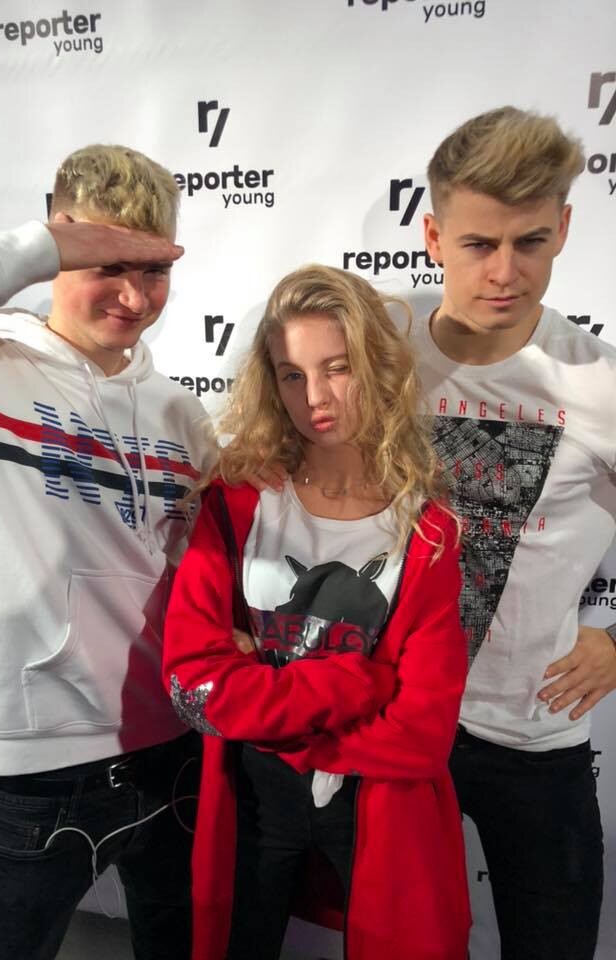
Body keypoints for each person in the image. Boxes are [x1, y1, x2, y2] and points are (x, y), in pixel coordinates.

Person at [0, 145, 215, 960]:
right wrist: (36, 249)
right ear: (59, 242)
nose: (134, 296)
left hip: (174, 752)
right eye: (108, 263)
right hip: (33, 772)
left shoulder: (182, 413)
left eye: (155, 271)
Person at [162, 265, 471, 960]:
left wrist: (265, 702)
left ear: (376, 367)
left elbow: (421, 736)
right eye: (292, 375)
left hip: (377, 800)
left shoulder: (425, 530)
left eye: (337, 368)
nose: (316, 398)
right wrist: (358, 682)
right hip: (251, 797)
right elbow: (192, 686)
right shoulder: (237, 502)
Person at [413, 106, 616, 959]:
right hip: (397, 715)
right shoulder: (376, 344)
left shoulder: (599, 385)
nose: (505, 272)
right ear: (433, 237)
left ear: (564, 229)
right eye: (478, 244)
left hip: (532, 731)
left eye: (530, 242)